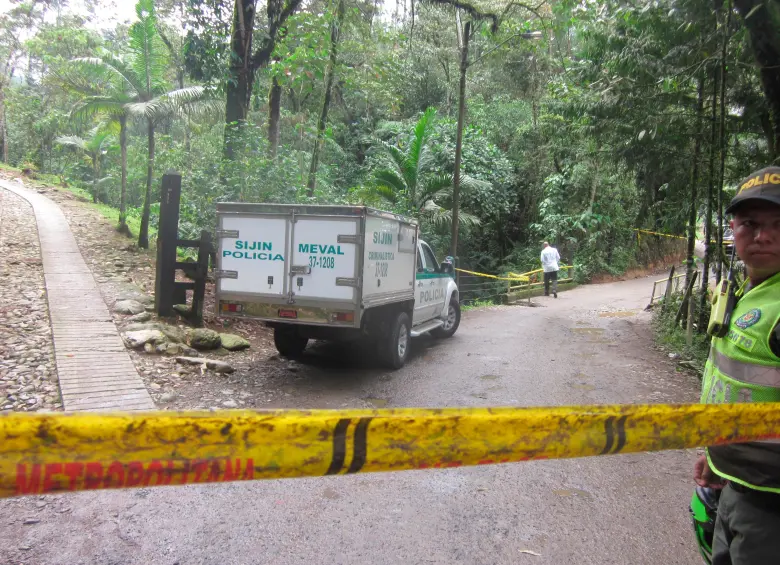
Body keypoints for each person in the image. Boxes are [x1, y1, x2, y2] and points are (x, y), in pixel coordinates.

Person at [694, 165, 780, 565]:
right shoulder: (748, 290)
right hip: (737, 481)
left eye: (779, 225)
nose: (763, 236)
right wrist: (717, 458)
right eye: (751, 224)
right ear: (733, 229)